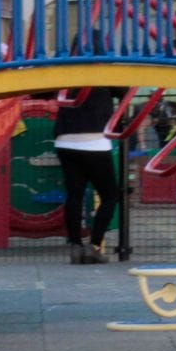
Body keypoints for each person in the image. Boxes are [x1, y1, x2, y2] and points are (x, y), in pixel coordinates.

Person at [53, 86, 123, 264]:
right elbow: (124, 91)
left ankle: (75, 245)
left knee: (74, 195)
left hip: (65, 138)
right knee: (110, 195)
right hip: (95, 139)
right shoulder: (105, 73)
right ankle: (94, 245)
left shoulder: (66, 70)